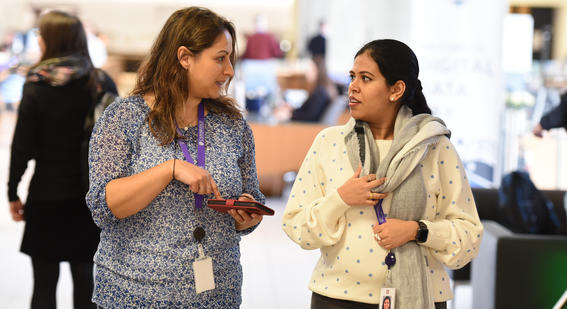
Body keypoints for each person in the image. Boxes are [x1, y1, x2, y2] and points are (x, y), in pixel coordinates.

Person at [282, 39, 483, 309]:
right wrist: (341, 198)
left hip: (420, 297)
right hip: (336, 298)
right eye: (353, 77)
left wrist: (418, 231)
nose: (353, 86)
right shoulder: (329, 143)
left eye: (366, 78)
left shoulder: (435, 148)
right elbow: (296, 226)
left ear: (396, 89)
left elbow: (469, 236)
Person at [86, 7, 266, 308]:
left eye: (231, 59)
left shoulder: (233, 125)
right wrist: (169, 169)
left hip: (216, 293)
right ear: (185, 57)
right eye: (220, 58)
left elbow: (252, 200)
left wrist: (247, 214)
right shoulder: (124, 118)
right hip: (135, 294)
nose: (230, 70)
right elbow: (104, 207)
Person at [8, 10, 116, 309]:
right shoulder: (101, 83)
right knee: (86, 280)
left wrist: (12, 190)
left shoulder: (37, 85)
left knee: (43, 283)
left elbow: (22, 146)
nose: (39, 42)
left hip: (46, 196)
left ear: (51, 41)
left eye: (42, 36)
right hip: (89, 198)